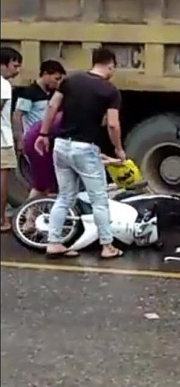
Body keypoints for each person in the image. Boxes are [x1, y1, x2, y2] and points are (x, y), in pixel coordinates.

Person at [35, 47, 127, 259]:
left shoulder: (70, 81)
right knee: (99, 199)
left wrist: (43, 134)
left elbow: (52, 107)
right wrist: (118, 149)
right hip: (85, 148)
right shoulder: (110, 91)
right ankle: (107, 245)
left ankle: (54, 242)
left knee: (65, 196)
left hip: (61, 145)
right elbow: (113, 124)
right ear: (111, 64)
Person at [13, 59, 66, 139]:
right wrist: (20, 139)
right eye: (56, 79)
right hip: (31, 137)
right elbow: (17, 116)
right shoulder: (29, 92)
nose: (58, 83)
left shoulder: (54, 94)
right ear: (45, 74)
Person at [1, 46, 23, 232]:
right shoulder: (3, 85)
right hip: (2, 140)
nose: (17, 71)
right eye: (14, 65)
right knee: (2, 181)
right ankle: (2, 220)